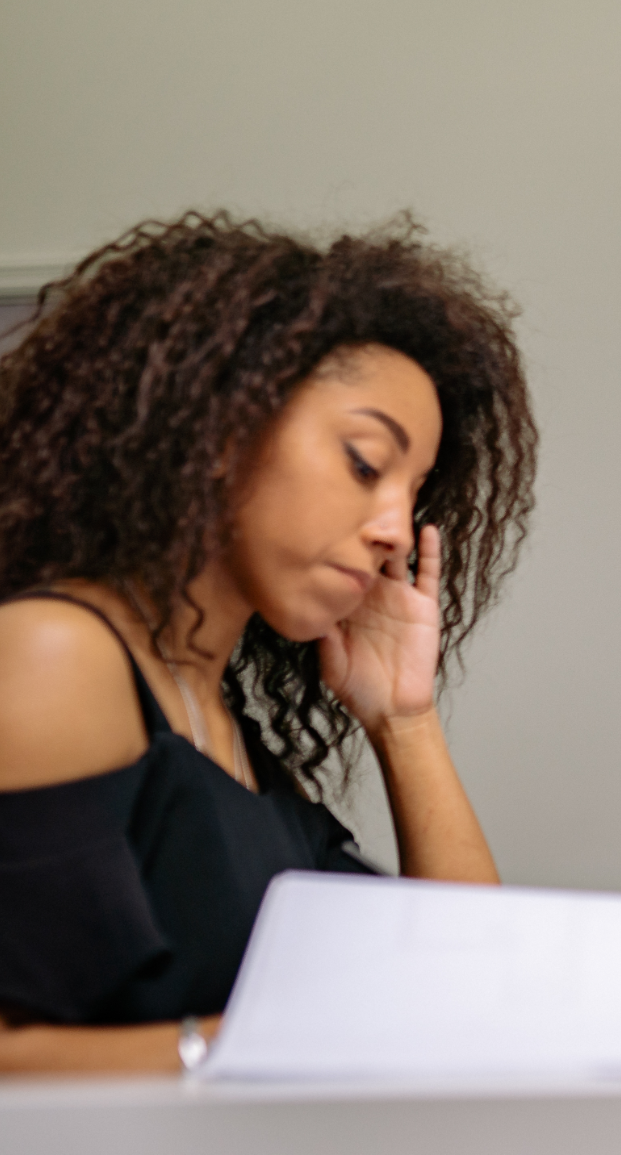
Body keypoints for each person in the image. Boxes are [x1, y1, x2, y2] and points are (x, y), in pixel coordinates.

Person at [0, 213, 538, 1072]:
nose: (397, 531)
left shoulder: (229, 740)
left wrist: (404, 720)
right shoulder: (56, 655)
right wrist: (251, 1048)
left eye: (414, 492)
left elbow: (466, 983)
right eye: (365, 463)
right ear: (221, 428)